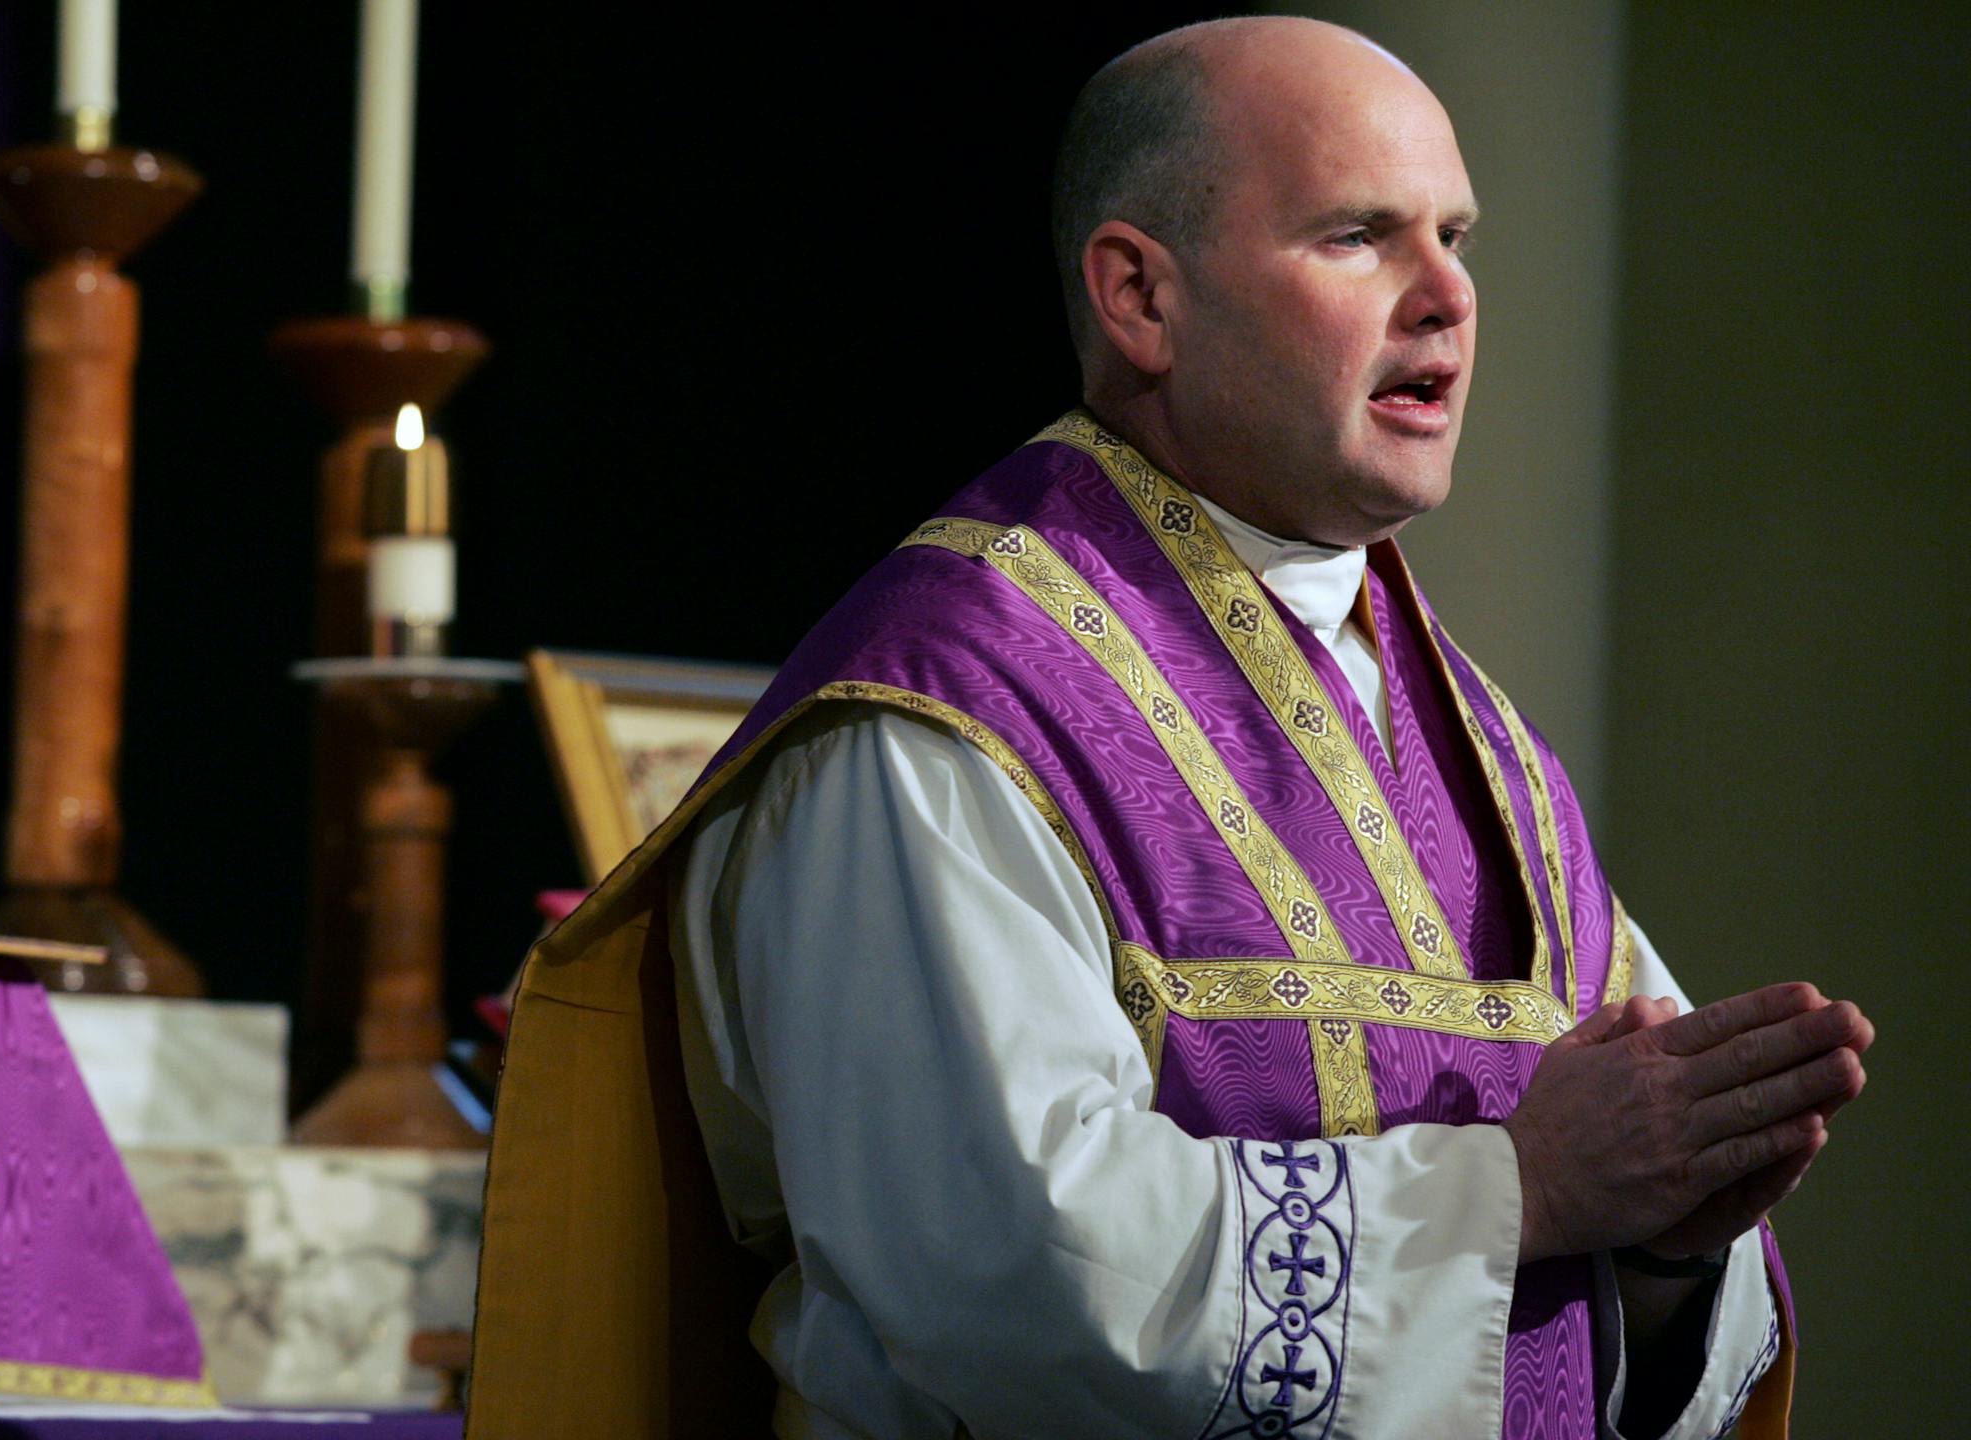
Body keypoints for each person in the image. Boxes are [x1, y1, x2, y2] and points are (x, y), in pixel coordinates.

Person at [469, 17, 1873, 1440]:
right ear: (1141, 296)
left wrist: (1665, 1249)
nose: (1449, 295)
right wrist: (1531, 1188)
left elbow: (1615, 1271)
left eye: (1454, 236)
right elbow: (1009, 1276)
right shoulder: (948, 712)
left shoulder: (1486, 751)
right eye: (1356, 237)